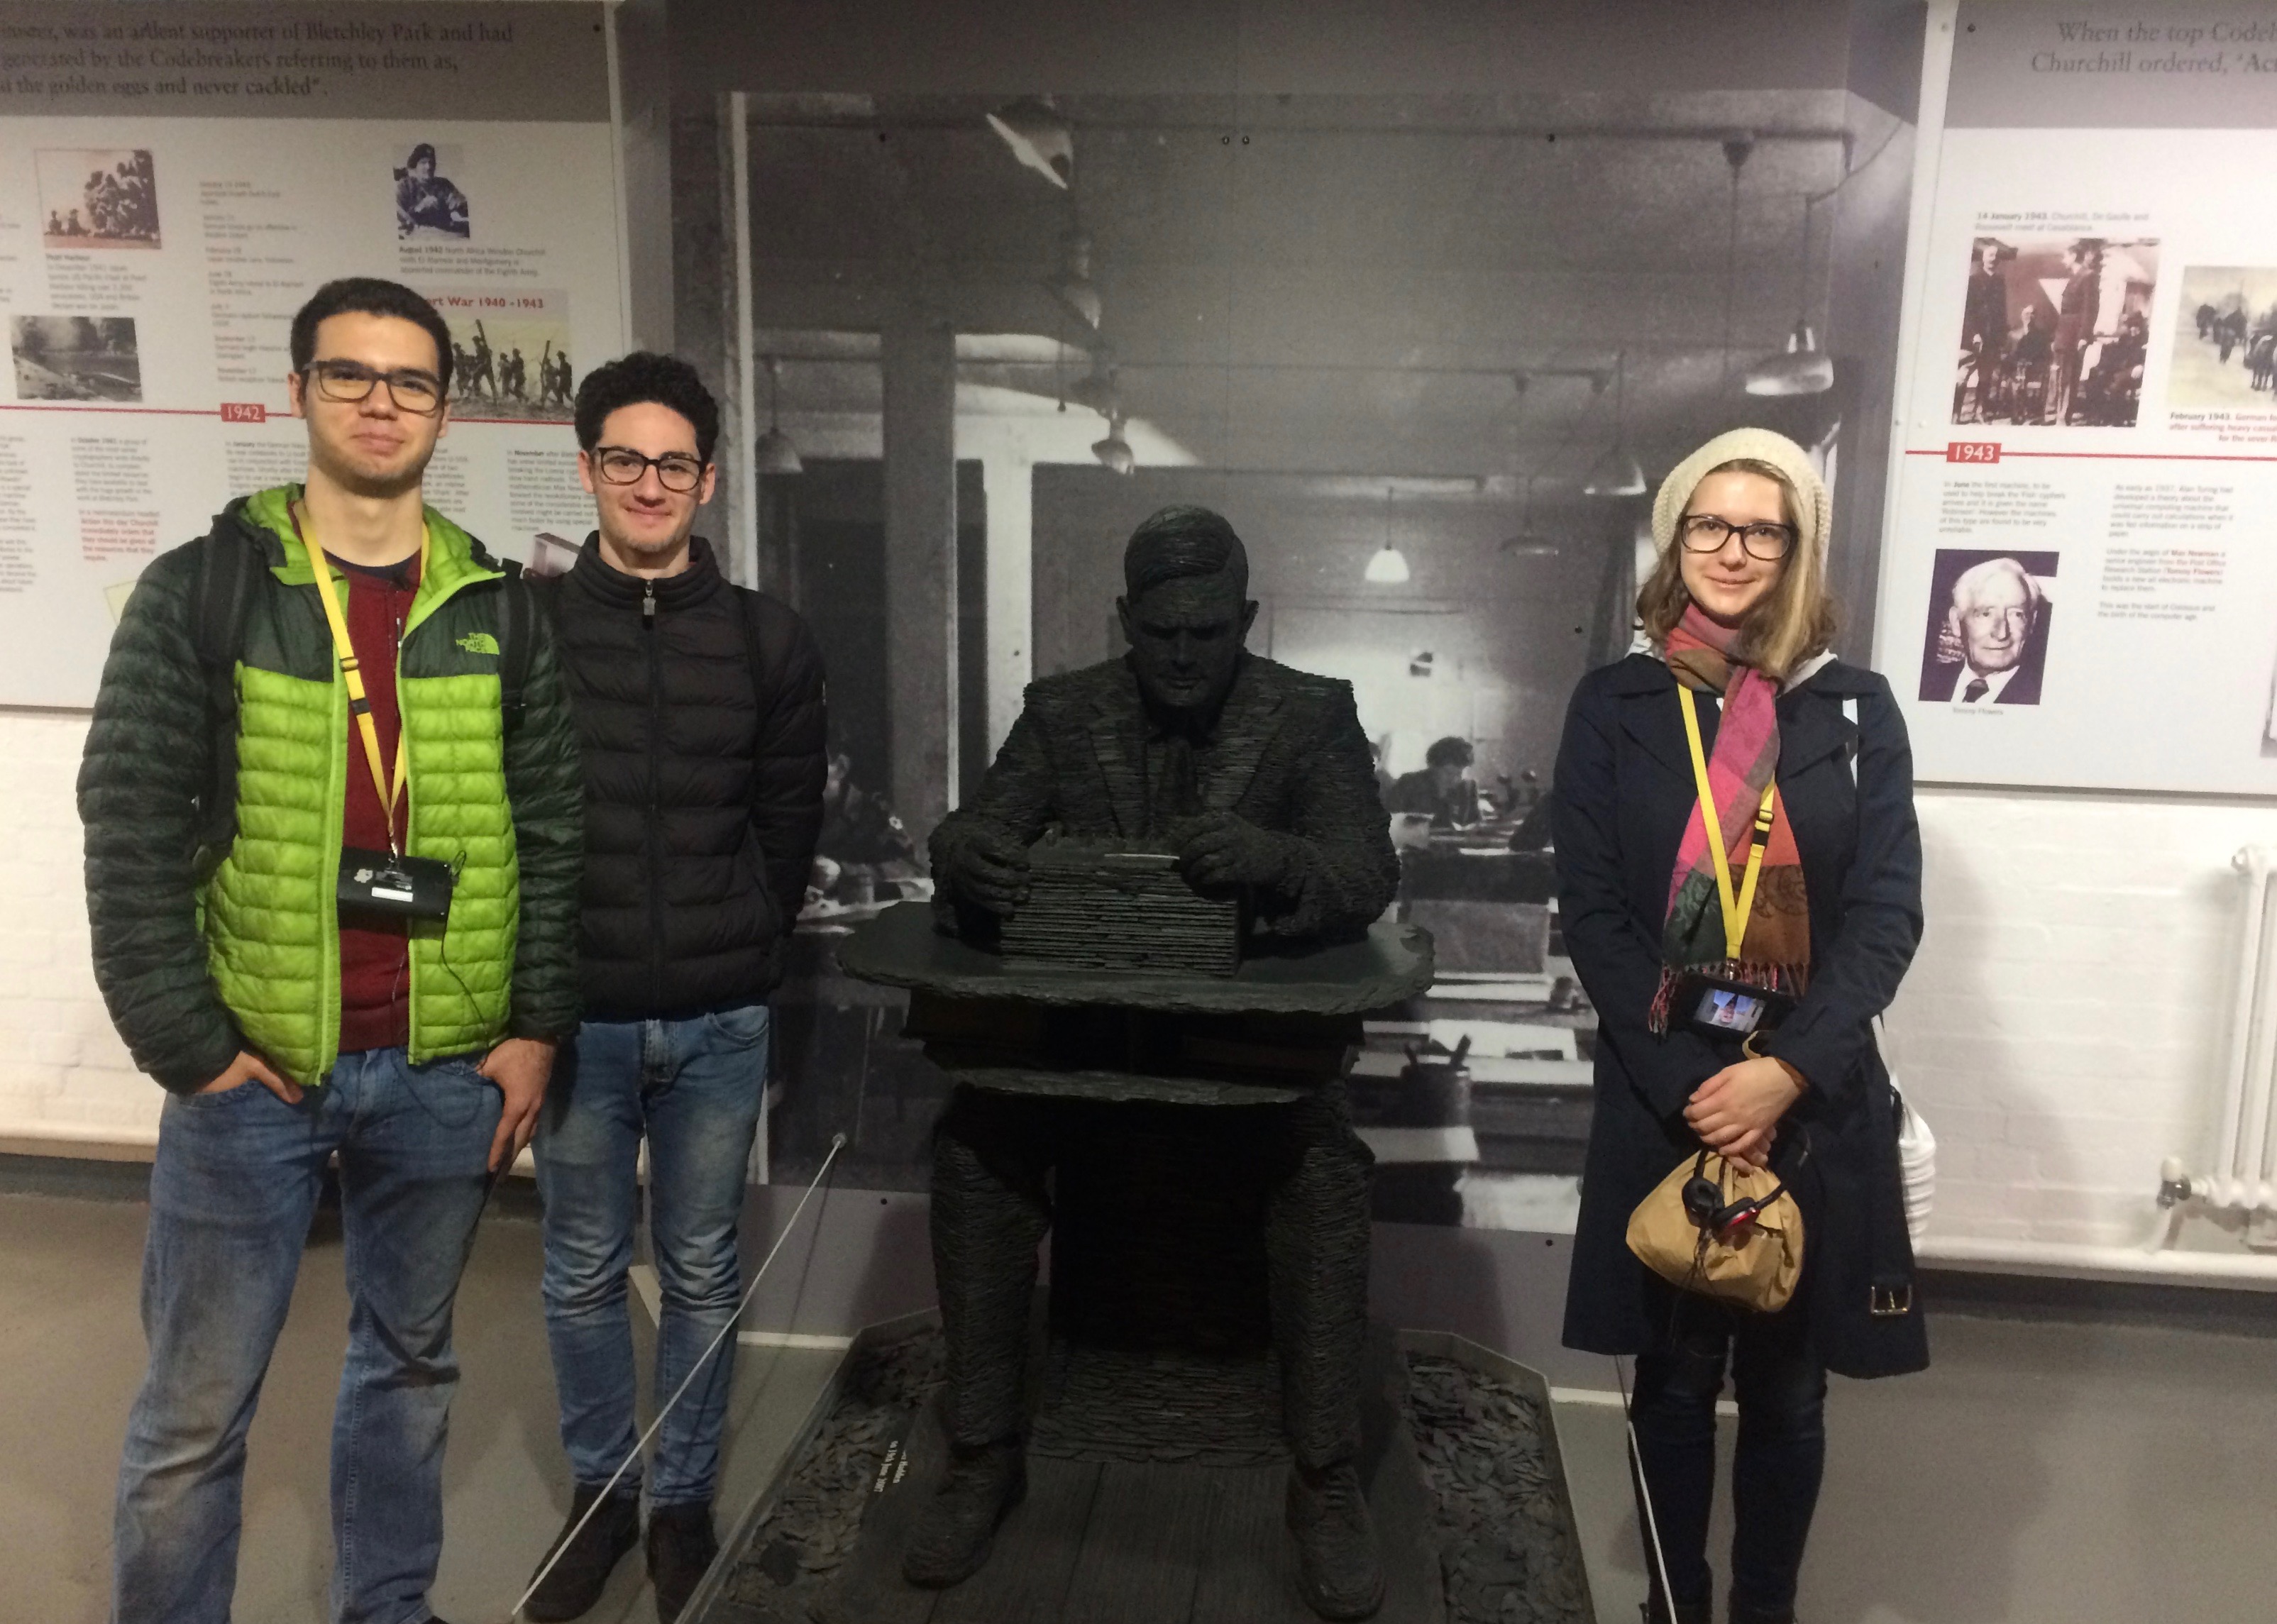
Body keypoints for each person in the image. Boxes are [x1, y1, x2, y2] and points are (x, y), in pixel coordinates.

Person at [84, 276, 583, 1624]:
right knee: (196, 1406)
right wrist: (187, 1044)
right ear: (300, 389)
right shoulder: (204, 590)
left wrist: (533, 1025)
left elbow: (551, 829)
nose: (381, 401)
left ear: (442, 407)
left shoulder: (498, 605)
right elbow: (127, 822)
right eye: (351, 374)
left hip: (439, 1068)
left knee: (410, 1368)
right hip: (256, 1068)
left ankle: (386, 1606)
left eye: (409, 380)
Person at [924, 505, 1401, 1619]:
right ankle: (982, 1451)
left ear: (1243, 618)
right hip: (1082, 1042)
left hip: (1250, 1052)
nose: (1183, 658)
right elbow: (970, 832)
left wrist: (1277, 860)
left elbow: (1365, 872)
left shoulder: (1310, 716)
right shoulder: (1060, 713)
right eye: (1160, 634)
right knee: (972, 1153)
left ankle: (1324, 1479)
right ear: (1124, 619)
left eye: (1207, 634)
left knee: (1325, 1176)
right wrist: (966, 857)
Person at [1551, 428, 1926, 1624]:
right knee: (1667, 1381)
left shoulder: (1853, 712)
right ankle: (1675, 1603)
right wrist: (1689, 1081)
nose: (1729, 548)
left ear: (1795, 547)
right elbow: (1596, 911)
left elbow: (1883, 912)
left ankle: (1763, 1605)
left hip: (1804, 1096)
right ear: (1675, 538)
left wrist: (1779, 1073)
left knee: (1786, 1390)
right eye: (1706, 523)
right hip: (1665, 1084)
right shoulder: (1613, 702)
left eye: (1759, 527)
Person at [517, 353, 826, 1623]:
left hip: (714, 1013)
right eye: (625, 459)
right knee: (582, 1267)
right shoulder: (525, 627)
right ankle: (603, 1498)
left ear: (707, 479)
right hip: (571, 1014)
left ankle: (682, 1500)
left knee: (699, 1265)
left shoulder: (766, 638)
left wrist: (746, 946)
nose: (651, 483)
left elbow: (788, 820)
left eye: (675, 463)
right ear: (589, 468)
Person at [1919, 555, 2049, 706]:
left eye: (2016, 614)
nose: (2001, 634)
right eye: (1985, 614)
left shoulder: (2042, 695)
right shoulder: (1927, 682)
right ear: (1956, 622)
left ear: (2032, 622)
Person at [1386, 735, 1484, 828]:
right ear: (1433, 767)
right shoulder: (1409, 784)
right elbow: (1390, 819)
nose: (1454, 779)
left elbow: (1476, 825)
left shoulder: (1467, 789)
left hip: (1455, 844)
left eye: (1459, 774)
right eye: (1448, 773)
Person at [395, 142, 470, 238]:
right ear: (415, 165)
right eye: (423, 162)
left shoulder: (444, 184)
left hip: (446, 235)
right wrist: (419, 208)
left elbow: (464, 210)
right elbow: (398, 217)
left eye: (431, 162)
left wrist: (461, 205)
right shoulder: (405, 186)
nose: (429, 167)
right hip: (416, 237)